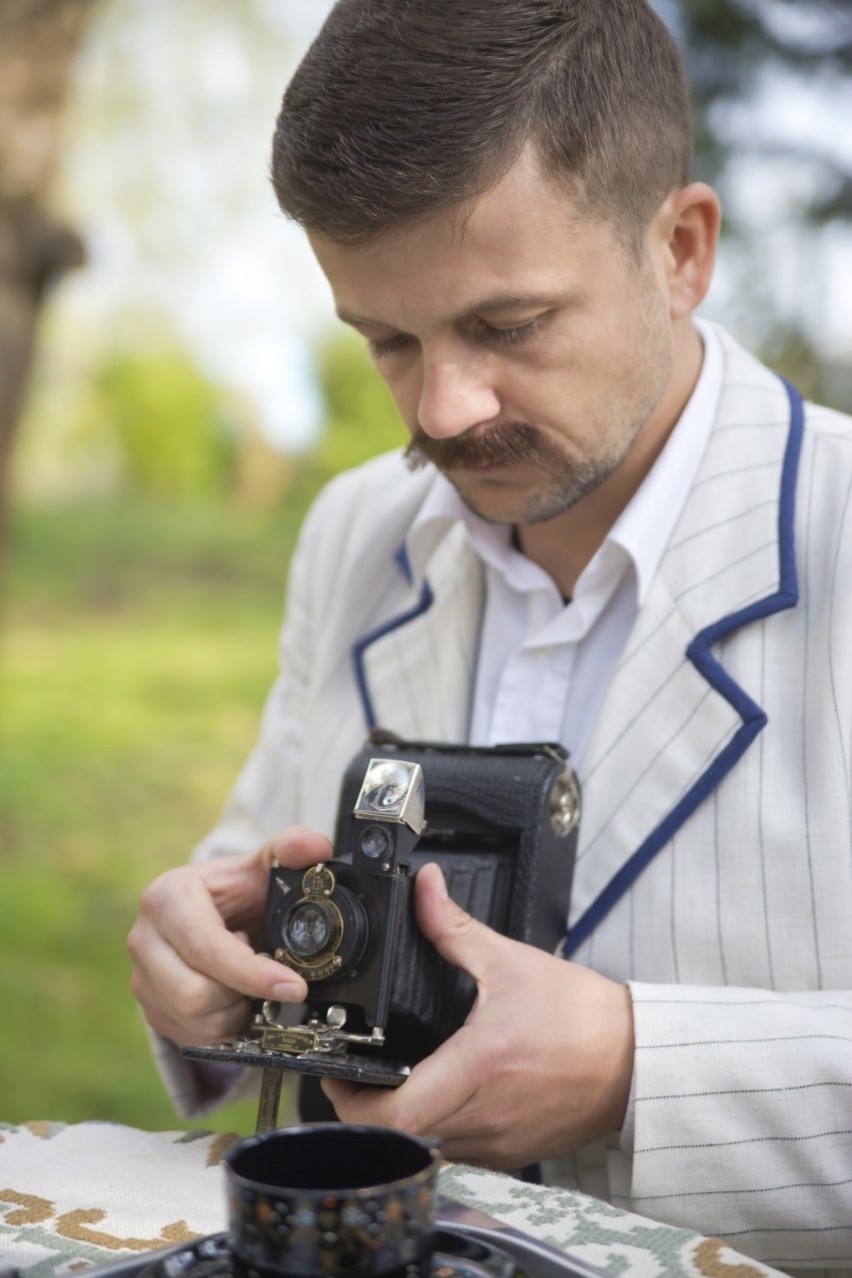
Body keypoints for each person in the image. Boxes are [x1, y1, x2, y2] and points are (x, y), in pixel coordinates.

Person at [127, 1, 852, 1272]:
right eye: (388, 341)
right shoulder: (356, 532)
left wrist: (638, 1071)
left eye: (508, 327)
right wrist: (201, 977)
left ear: (681, 249)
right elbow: (252, 882)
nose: (446, 408)